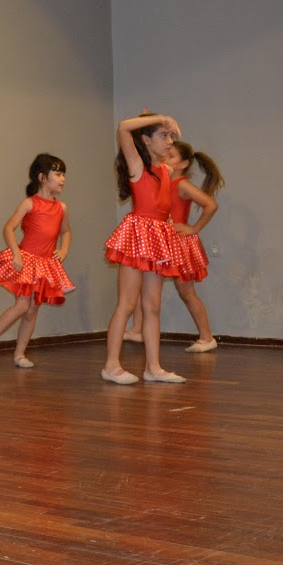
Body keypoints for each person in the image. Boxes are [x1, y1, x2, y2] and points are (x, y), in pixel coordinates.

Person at [101, 113, 185, 385]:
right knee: (126, 303)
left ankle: (153, 367)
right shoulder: (137, 166)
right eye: (163, 135)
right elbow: (124, 127)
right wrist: (163, 117)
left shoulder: (166, 170)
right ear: (146, 140)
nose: (170, 141)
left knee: (153, 306)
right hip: (137, 236)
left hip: (158, 237)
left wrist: (158, 121)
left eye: (170, 136)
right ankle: (111, 365)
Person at [0, 153, 74, 369]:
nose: (63, 179)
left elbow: (66, 231)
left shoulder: (61, 208)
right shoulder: (29, 204)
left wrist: (64, 249)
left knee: (32, 310)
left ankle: (20, 354)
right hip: (27, 261)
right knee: (22, 305)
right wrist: (16, 254)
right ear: (42, 177)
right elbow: (8, 228)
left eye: (63, 174)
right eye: (58, 174)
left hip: (45, 264)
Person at [127, 142, 223, 353]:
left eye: (170, 156)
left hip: (178, 245)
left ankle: (207, 337)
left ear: (183, 164)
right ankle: (137, 330)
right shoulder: (160, 182)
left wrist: (194, 228)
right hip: (161, 243)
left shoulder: (181, 184)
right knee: (145, 285)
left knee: (186, 292)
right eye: (165, 155)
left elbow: (211, 205)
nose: (164, 159)